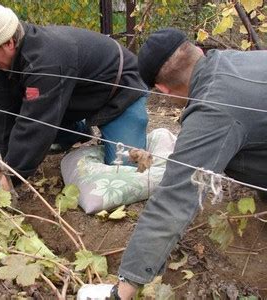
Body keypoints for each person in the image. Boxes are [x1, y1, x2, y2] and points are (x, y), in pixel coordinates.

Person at [107, 28, 267, 299]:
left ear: (163, 90)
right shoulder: (238, 60)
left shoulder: (213, 109)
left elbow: (173, 201)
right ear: (199, 51)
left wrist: (121, 290)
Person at [0, 0, 148, 194]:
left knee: (125, 169)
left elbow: (35, 124)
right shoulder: (2, 60)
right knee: (28, 124)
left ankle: (98, 130)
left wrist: (6, 185)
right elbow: (1, 112)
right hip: (75, 97)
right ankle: (77, 130)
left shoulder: (46, 61)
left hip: (120, 92)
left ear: (9, 42)